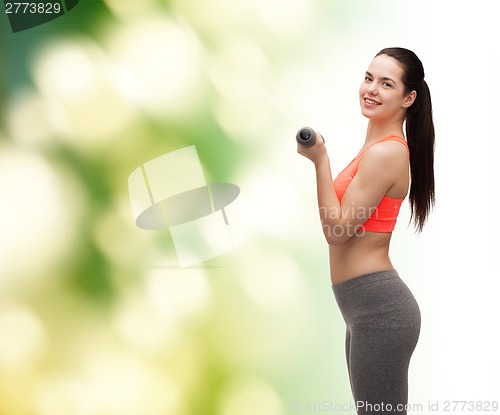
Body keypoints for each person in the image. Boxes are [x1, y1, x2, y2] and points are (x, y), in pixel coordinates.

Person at [297, 47, 435, 415]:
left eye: (386, 83)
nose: (371, 89)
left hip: (380, 310)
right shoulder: (373, 149)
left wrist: (320, 160)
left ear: (409, 98)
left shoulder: (386, 153)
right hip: (362, 308)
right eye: (368, 78)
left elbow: (338, 230)